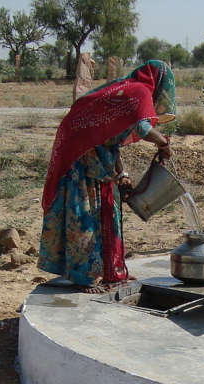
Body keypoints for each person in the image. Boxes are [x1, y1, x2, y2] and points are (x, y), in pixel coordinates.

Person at [38, 60, 176, 293]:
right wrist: (164, 143)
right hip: (80, 154)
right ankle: (84, 278)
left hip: (94, 151)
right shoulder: (139, 90)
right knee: (83, 214)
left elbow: (113, 137)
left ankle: (112, 270)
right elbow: (142, 129)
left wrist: (121, 172)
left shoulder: (125, 89)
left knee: (107, 208)